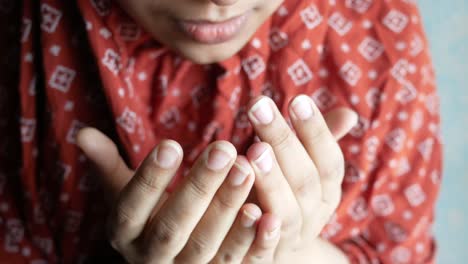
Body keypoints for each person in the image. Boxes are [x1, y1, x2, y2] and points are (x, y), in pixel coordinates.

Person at [0, 0, 442, 263]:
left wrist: (291, 251)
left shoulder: (378, 38)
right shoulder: (22, 33)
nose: (222, 2)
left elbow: (395, 250)